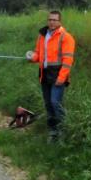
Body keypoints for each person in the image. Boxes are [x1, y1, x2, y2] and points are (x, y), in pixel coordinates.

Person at [26, 10, 76, 143]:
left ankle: (62, 130)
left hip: (58, 75)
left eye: (54, 20)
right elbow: (38, 54)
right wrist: (32, 57)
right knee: (48, 104)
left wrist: (61, 78)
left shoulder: (66, 37)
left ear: (60, 21)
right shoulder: (42, 35)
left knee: (55, 103)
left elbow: (68, 61)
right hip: (44, 74)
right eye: (50, 19)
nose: (52, 22)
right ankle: (52, 131)